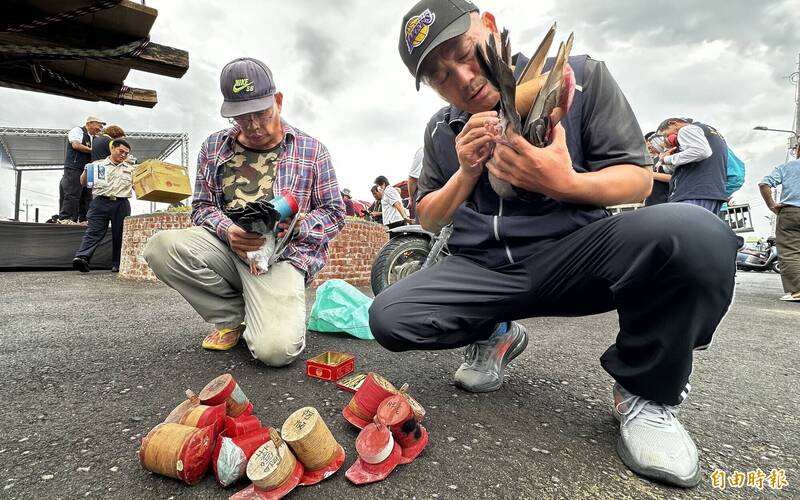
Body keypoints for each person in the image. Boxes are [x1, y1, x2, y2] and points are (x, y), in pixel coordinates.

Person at [370, 0, 738, 488]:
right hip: (485, 271)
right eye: (440, 76)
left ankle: (646, 392)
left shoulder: (577, 75)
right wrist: (466, 170)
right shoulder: (442, 128)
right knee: (390, 317)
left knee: (697, 234)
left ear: (489, 26)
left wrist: (564, 183)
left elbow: (637, 180)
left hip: (576, 256)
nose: (461, 77)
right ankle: (496, 335)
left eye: (463, 52)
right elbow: (429, 216)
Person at [143, 57, 345, 366]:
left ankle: (263, 313)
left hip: (282, 258)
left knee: (276, 352)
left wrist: (300, 225)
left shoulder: (312, 150)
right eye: (240, 117)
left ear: (278, 101)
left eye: (261, 113)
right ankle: (236, 316)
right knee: (161, 248)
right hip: (227, 249)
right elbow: (202, 207)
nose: (253, 126)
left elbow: (334, 213)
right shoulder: (214, 147)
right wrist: (228, 231)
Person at [72, 140, 133, 273]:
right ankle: (82, 258)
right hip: (100, 203)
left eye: (126, 153)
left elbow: (139, 187)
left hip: (121, 203)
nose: (123, 155)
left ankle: (118, 264)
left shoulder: (131, 169)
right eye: (121, 151)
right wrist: (85, 171)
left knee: (121, 234)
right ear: (112, 148)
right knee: (93, 232)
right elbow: (83, 183)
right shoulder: (97, 165)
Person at [656, 117, 728, 213]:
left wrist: (666, 159)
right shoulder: (712, 133)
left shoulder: (686, 129)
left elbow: (701, 152)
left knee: (685, 227)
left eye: (666, 134)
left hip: (693, 192)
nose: (668, 139)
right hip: (713, 193)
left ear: (673, 123)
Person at [759, 142, 800, 301]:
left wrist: (771, 205)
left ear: (798, 150)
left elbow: (764, 184)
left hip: (791, 212)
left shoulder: (786, 167)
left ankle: (798, 290)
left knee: (790, 251)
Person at [59, 116, 104, 223]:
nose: (101, 128)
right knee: (73, 193)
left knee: (87, 195)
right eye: (99, 124)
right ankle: (66, 218)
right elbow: (76, 145)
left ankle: (84, 219)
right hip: (75, 167)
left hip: (89, 169)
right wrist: (93, 151)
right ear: (90, 123)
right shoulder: (78, 130)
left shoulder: (95, 138)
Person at [643, 131, 669, 206]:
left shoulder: (668, 156)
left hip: (664, 201)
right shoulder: (654, 159)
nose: (648, 146)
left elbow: (673, 177)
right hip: (651, 201)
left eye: (650, 143)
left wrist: (649, 174)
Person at [408, 147, 424, 220]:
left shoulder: (424, 149)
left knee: (424, 229)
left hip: (425, 194)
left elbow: (413, 179)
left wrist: (411, 197)